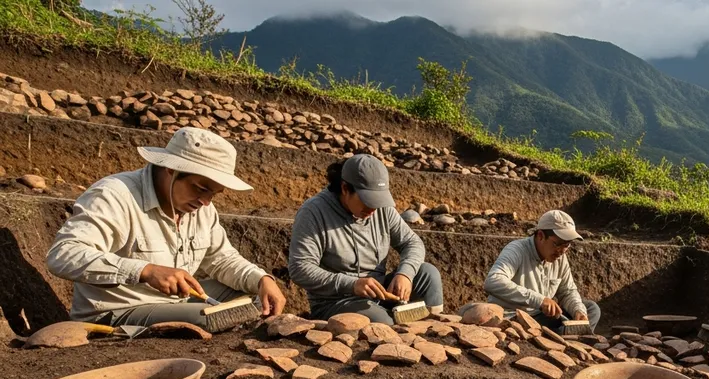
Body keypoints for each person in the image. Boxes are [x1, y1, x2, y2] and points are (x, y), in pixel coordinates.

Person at [46, 127, 286, 329]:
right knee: (210, 319)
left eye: (215, 193)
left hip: (177, 305)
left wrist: (261, 279)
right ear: (171, 169)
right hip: (117, 313)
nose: (206, 202)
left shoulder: (202, 208)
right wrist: (145, 271)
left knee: (257, 299)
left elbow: (222, 259)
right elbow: (64, 254)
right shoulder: (114, 195)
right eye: (201, 189)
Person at [288, 154, 444, 323]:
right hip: (336, 301)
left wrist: (405, 273)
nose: (373, 209)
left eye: (377, 201)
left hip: (380, 293)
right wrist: (352, 284)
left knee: (428, 274)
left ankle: (429, 332)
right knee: (383, 323)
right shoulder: (313, 212)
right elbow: (300, 268)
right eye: (367, 201)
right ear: (345, 188)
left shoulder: (380, 209)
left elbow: (411, 242)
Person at [483, 210, 601, 332]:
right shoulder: (516, 250)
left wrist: (578, 311)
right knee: (557, 325)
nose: (562, 251)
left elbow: (567, 291)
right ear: (540, 236)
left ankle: (563, 336)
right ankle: (560, 338)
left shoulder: (560, 257)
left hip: (542, 317)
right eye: (558, 244)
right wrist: (539, 300)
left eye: (567, 245)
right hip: (516, 317)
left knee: (591, 308)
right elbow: (493, 281)